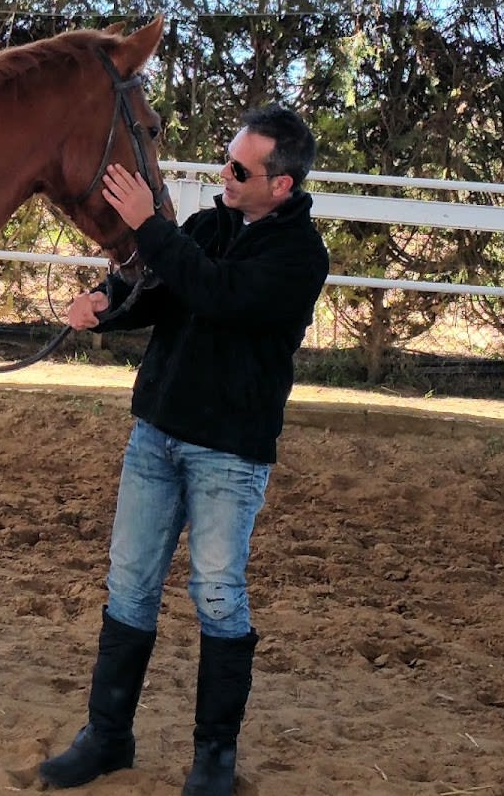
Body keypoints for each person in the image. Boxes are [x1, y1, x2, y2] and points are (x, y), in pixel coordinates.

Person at [38, 104, 329, 796]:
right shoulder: (208, 226)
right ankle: (107, 737)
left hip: (229, 451)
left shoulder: (298, 257)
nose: (222, 175)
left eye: (238, 169)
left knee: (220, 596)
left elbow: (218, 294)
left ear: (280, 185)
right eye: (224, 160)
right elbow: (161, 290)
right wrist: (106, 304)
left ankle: (214, 758)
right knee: (129, 585)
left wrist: (148, 223)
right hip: (156, 433)